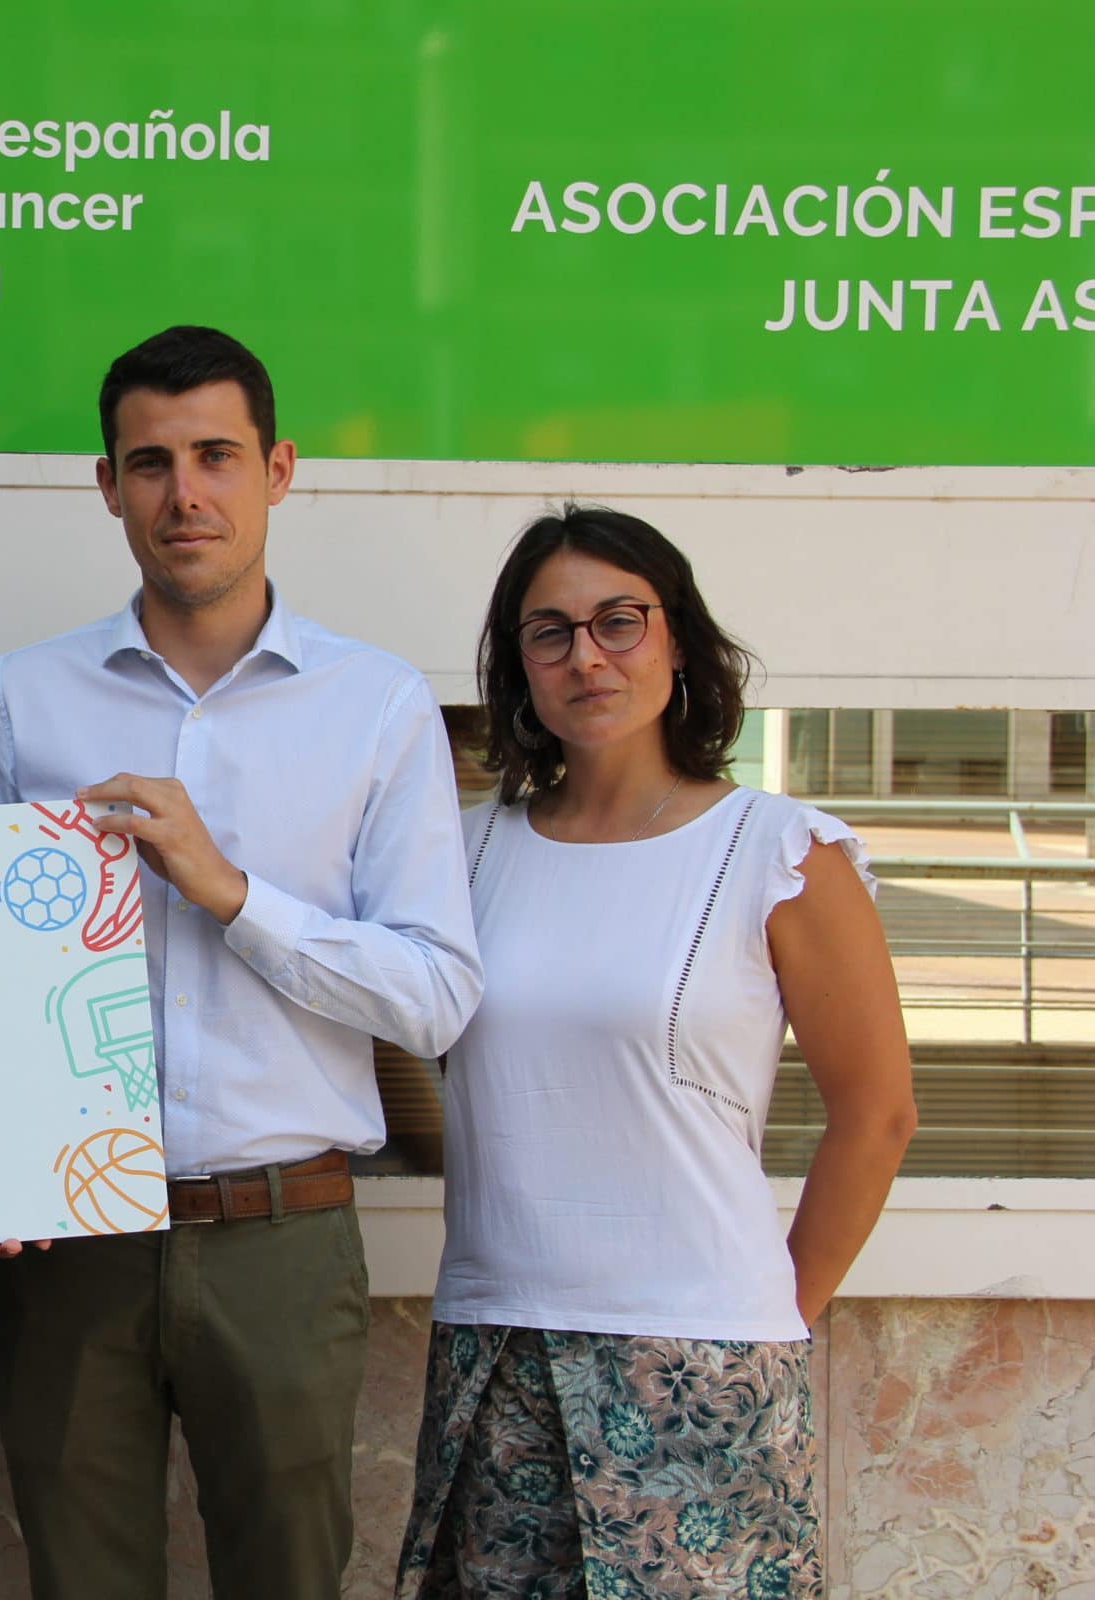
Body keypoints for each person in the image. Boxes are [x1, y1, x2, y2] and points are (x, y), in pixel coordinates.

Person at [0, 325, 484, 1598]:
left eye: (216, 456)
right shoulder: (27, 696)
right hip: (71, 1245)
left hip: (280, 1235)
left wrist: (233, 894)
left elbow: (436, 994)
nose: (184, 493)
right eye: (150, 462)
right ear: (108, 485)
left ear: (278, 469)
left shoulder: (376, 704)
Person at [397, 505, 917, 1599]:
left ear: (678, 639)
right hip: (499, 1348)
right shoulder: (462, 846)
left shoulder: (780, 850)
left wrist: (772, 1317)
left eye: (618, 621)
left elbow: (877, 1113)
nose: (586, 656)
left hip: (702, 1361)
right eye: (550, 632)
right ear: (519, 666)